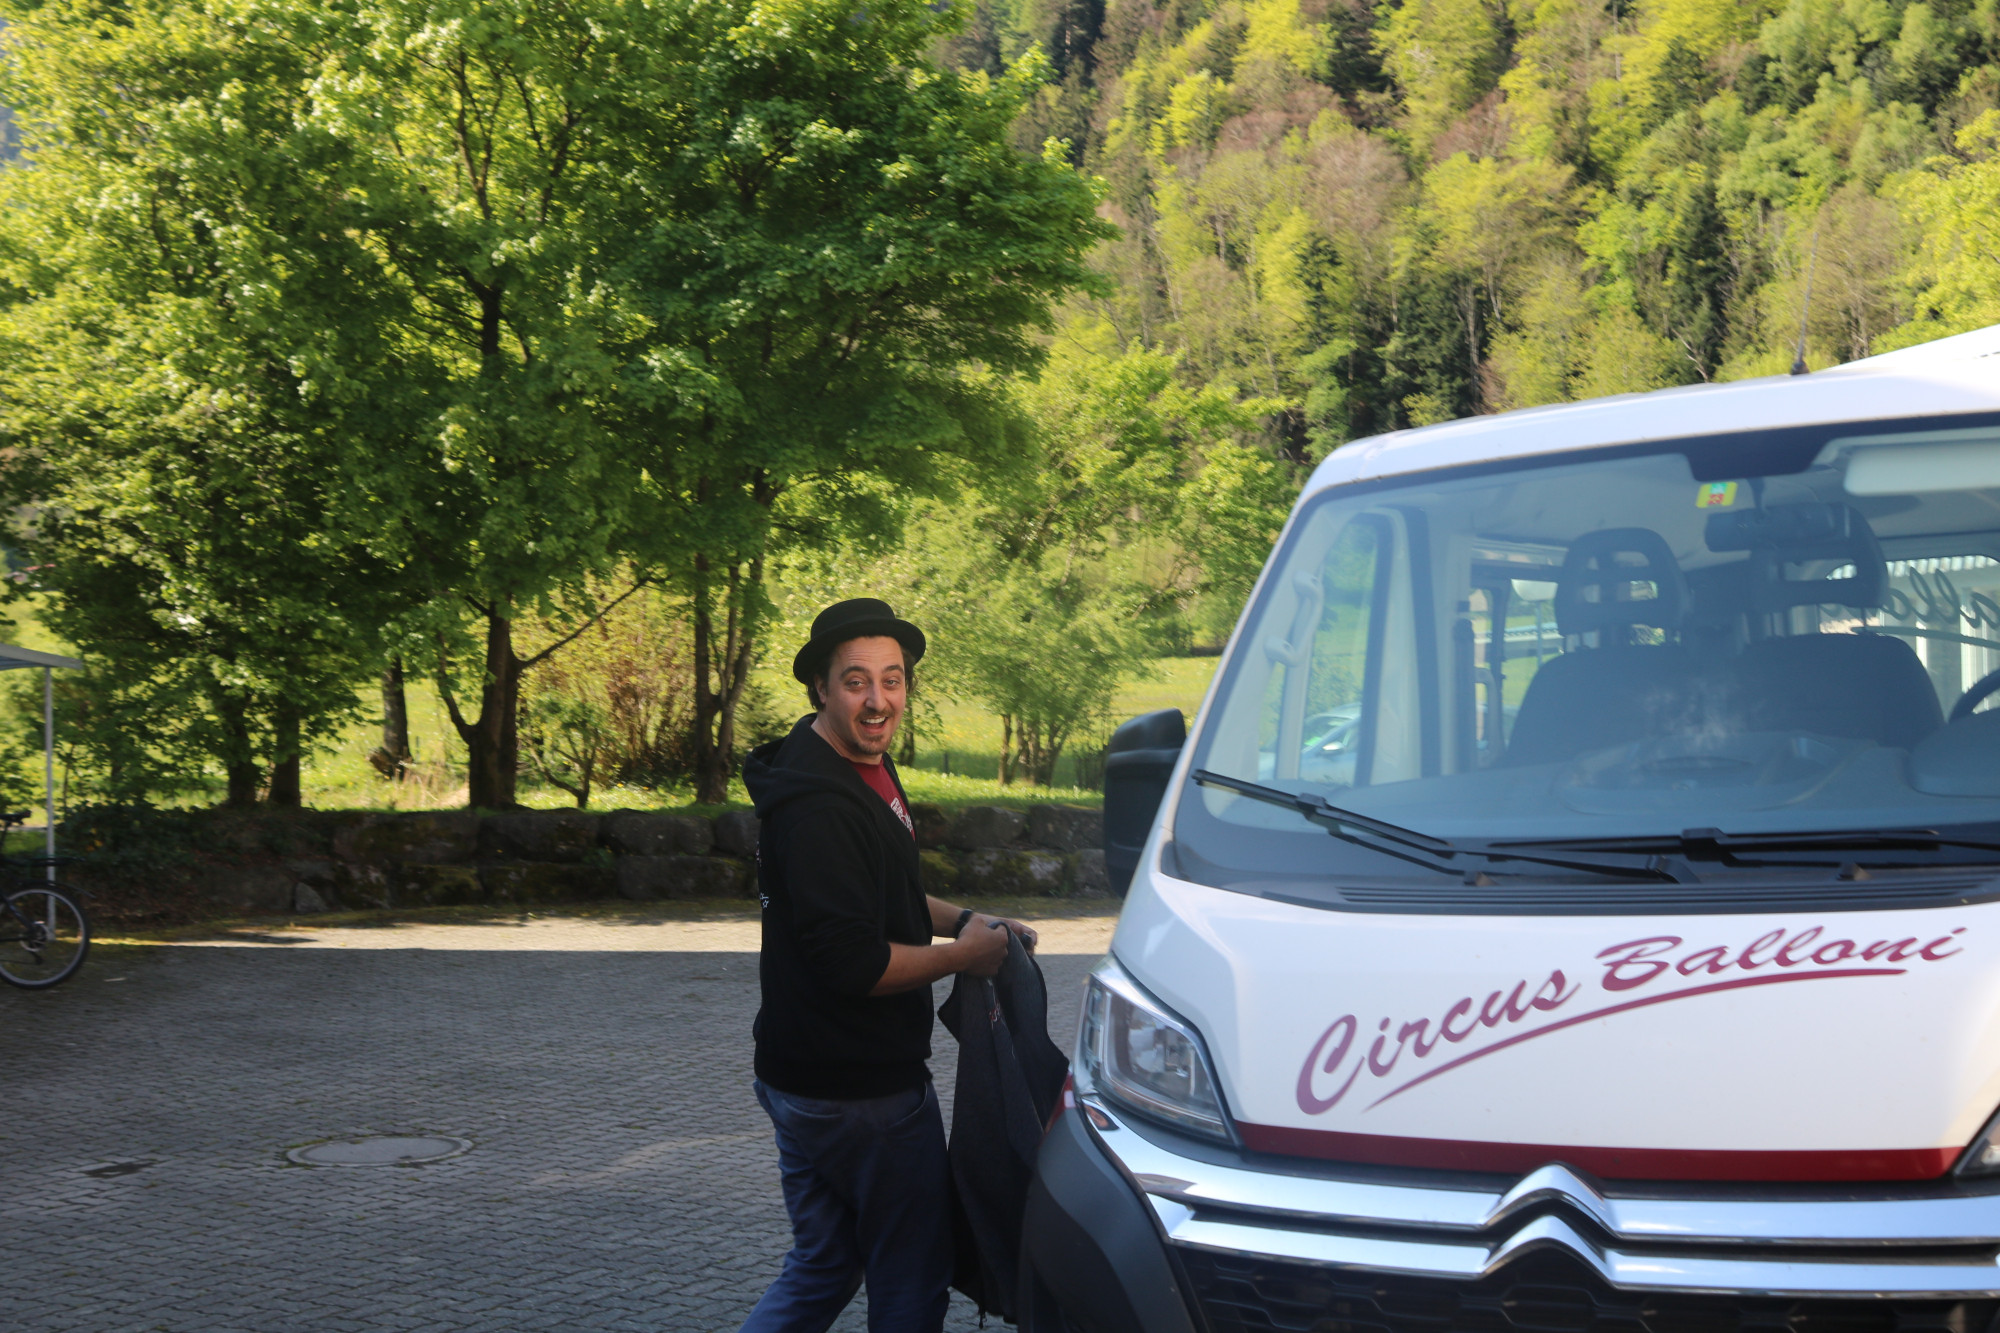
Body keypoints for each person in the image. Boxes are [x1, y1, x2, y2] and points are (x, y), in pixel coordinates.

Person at [740, 597, 1038, 1333]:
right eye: (856, 682)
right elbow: (854, 963)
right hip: (860, 1091)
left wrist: (964, 921)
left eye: (892, 679)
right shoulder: (821, 806)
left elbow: (883, 893)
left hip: (798, 1073)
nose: (878, 700)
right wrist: (965, 956)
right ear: (820, 687)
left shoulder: (855, 761)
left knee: (825, 1262)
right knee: (912, 1273)